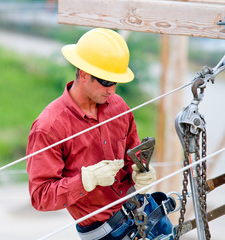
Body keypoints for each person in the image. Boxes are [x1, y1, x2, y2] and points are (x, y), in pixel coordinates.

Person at [26, 28, 157, 239]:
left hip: (146, 211)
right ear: (84, 74)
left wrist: (140, 172)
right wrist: (86, 180)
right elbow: (40, 197)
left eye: (115, 82)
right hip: (106, 231)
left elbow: (131, 157)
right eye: (106, 82)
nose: (112, 90)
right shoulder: (50, 126)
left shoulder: (118, 107)